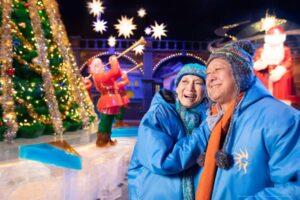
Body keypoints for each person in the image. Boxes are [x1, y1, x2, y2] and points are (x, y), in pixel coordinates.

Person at [194, 41, 300, 199]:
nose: (211, 78)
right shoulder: (213, 120)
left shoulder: (280, 117)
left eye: (218, 69)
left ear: (240, 73)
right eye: (208, 73)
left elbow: (293, 188)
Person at [128, 63, 209, 200]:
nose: (190, 88)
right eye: (184, 81)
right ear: (177, 87)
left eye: (198, 82)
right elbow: (163, 162)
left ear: (206, 90)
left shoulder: (208, 117)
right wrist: (204, 132)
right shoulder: (159, 114)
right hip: (155, 194)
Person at [88, 56, 123, 147]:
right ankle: (101, 141)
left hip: (111, 99)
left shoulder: (102, 75)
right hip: (107, 100)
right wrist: (113, 62)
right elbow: (114, 72)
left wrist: (115, 62)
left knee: (110, 121)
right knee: (105, 121)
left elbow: (118, 73)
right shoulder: (98, 76)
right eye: (99, 65)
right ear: (95, 67)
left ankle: (107, 139)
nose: (102, 66)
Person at [254, 25, 293, 104]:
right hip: (264, 74)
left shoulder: (285, 49)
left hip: (279, 76)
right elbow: (256, 62)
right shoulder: (261, 51)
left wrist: (280, 70)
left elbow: (289, 61)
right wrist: (261, 64)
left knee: (283, 80)